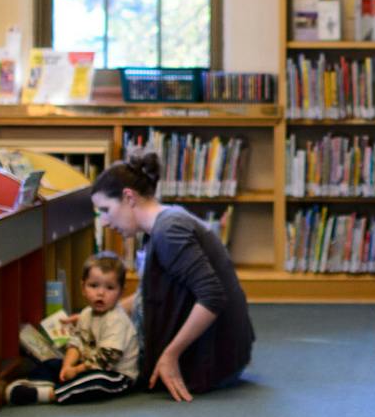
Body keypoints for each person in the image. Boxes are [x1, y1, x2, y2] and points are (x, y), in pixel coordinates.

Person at [90, 152, 254, 401]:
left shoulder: (169, 230)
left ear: (128, 197)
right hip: (223, 356)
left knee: (102, 366)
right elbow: (148, 295)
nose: (104, 221)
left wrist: (170, 355)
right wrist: (93, 315)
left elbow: (212, 296)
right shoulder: (162, 223)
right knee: (97, 339)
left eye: (105, 209)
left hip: (213, 364)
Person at [16, 252, 141, 404]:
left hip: (116, 374)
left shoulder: (117, 320)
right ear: (83, 287)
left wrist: (75, 370)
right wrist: (67, 366)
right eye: (94, 286)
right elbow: (75, 343)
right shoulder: (86, 314)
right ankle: (41, 382)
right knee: (51, 363)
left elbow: (105, 361)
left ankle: (48, 394)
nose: (100, 293)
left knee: (96, 380)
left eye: (110, 288)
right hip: (87, 365)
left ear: (121, 291)